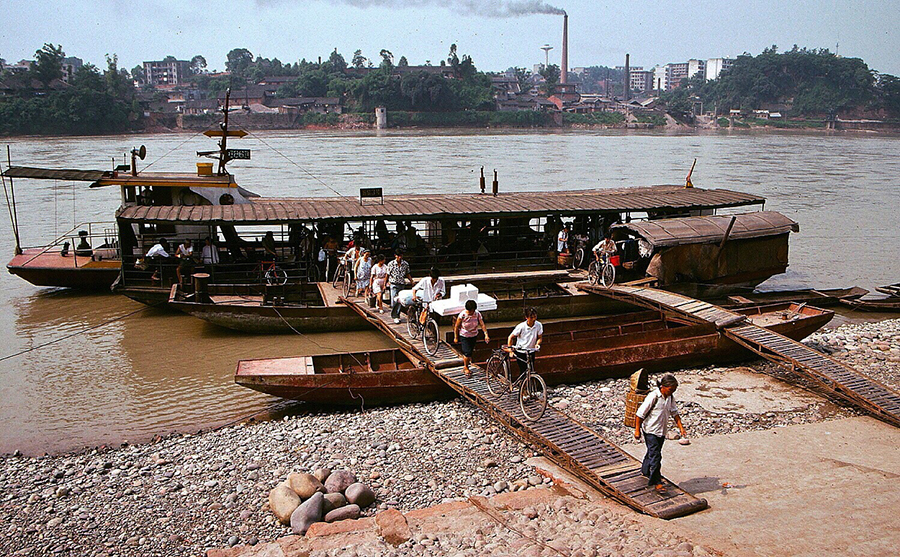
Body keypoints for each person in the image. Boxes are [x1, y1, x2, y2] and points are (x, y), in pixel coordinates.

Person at [634, 373, 688, 494]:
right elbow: (640, 414)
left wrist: (681, 428)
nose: (672, 392)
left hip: (661, 431)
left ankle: (645, 471)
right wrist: (637, 430)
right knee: (656, 455)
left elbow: (675, 413)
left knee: (653, 452)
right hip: (650, 430)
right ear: (663, 386)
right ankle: (656, 482)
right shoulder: (653, 396)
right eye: (670, 389)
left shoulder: (670, 397)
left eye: (674, 390)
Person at [454, 299, 490, 376]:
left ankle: (467, 362)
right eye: (470, 311)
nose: (471, 312)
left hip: (473, 335)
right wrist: (456, 337)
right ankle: (466, 367)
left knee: (470, 351)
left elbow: (482, 324)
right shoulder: (462, 315)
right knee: (467, 352)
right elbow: (457, 326)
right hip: (464, 335)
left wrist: (486, 334)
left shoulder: (477, 314)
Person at [506, 307, 543, 379]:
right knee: (523, 371)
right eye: (531, 317)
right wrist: (510, 350)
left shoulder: (538, 325)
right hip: (521, 351)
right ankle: (522, 387)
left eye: (535, 317)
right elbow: (510, 337)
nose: (533, 319)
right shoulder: (521, 326)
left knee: (531, 370)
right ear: (527, 317)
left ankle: (528, 387)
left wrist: (537, 344)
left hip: (531, 351)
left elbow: (540, 337)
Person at [387, 250, 412, 324]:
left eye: (401, 256)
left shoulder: (405, 264)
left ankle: (396, 315)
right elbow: (387, 274)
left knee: (400, 300)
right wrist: (385, 283)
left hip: (401, 283)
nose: (400, 257)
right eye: (398, 256)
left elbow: (407, 273)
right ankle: (395, 316)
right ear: (395, 256)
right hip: (394, 283)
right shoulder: (391, 264)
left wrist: (411, 281)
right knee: (394, 300)